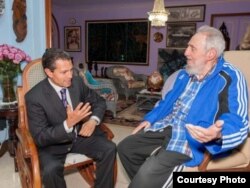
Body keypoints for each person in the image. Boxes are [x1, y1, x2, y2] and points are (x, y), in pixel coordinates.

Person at [117, 25, 249, 188]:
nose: (186, 52)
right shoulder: (186, 73)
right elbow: (167, 101)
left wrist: (219, 133)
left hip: (193, 136)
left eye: (192, 48)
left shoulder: (231, 77)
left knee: (146, 175)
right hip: (169, 125)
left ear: (211, 54)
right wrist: (150, 119)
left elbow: (239, 120)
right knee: (125, 148)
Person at [25, 48, 116, 188]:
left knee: (109, 148)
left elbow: (99, 102)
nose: (70, 76)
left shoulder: (77, 83)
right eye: (64, 72)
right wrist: (68, 124)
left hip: (79, 136)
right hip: (52, 145)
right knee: (50, 170)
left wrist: (93, 120)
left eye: (70, 70)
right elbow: (40, 137)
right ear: (49, 72)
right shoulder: (34, 97)